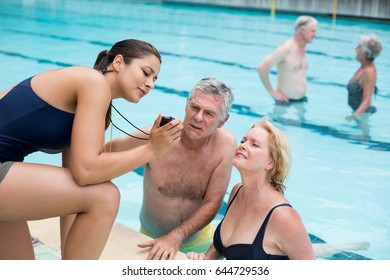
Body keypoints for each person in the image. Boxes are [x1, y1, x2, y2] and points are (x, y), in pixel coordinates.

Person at [0, 39, 183, 260]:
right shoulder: (92, 82)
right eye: (146, 72)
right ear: (118, 62)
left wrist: (68, 255)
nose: (150, 84)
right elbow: (86, 171)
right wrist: (152, 150)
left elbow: (74, 183)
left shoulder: (93, 100)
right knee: (105, 195)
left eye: (154, 79)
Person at [111, 77, 236, 260]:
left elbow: (213, 202)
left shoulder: (225, 145)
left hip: (200, 244)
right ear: (186, 106)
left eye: (209, 113)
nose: (198, 117)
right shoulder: (156, 136)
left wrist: (175, 237)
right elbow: (108, 151)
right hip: (149, 239)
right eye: (195, 107)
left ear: (222, 121)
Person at [187, 118, 315, 260]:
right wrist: (200, 259)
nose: (243, 145)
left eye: (254, 144)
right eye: (243, 141)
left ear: (270, 163)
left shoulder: (283, 217)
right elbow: (217, 251)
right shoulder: (237, 193)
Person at [257, 16, 317, 120]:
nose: (315, 35)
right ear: (302, 30)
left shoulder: (302, 47)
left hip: (300, 101)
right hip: (284, 104)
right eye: (313, 31)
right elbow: (262, 68)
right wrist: (273, 92)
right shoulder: (286, 49)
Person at [346, 34, 382, 122]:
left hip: (363, 114)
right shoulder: (363, 67)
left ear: (365, 52)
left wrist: (354, 116)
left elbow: (367, 100)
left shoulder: (369, 71)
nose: (355, 49)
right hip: (358, 112)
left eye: (359, 47)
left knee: (363, 135)